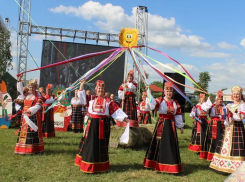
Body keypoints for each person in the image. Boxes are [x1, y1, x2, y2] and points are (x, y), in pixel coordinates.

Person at [74, 80, 129, 173]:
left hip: (103, 126)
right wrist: (82, 86)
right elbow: (82, 98)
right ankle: (88, 165)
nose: (100, 90)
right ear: (96, 90)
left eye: (102, 89)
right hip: (92, 125)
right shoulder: (92, 98)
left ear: (104, 90)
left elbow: (116, 111)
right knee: (91, 144)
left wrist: (124, 118)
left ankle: (100, 166)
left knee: (101, 145)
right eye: (99, 88)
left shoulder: (109, 101)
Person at [144, 82, 184, 174]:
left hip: (171, 125)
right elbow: (152, 104)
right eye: (167, 91)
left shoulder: (175, 103)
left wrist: (180, 126)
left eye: (171, 91)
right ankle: (156, 164)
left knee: (170, 144)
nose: (169, 93)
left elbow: (178, 115)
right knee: (160, 143)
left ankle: (171, 165)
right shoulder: (160, 100)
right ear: (164, 92)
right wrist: (148, 92)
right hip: (162, 124)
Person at [210, 86, 245, 174]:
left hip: (237, 128)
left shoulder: (242, 105)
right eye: (234, 94)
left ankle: (237, 166)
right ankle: (223, 165)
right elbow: (224, 117)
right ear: (232, 95)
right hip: (228, 128)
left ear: (240, 95)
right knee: (225, 145)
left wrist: (231, 115)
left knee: (236, 146)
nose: (236, 95)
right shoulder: (228, 105)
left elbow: (240, 117)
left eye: (238, 94)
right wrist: (226, 116)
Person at [15, 74, 45, 155]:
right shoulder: (26, 94)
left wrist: (29, 111)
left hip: (33, 115)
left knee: (30, 131)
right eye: (30, 87)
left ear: (36, 88)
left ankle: (32, 149)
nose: (31, 89)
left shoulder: (38, 96)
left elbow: (38, 105)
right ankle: (21, 148)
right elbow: (20, 90)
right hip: (25, 116)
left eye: (33, 87)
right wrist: (19, 79)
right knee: (24, 132)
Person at [199, 91, 226, 161]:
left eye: (221, 99)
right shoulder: (211, 106)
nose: (220, 101)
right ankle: (211, 155)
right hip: (213, 124)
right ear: (216, 100)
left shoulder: (224, 107)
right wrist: (208, 101)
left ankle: (219, 154)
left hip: (222, 124)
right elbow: (204, 108)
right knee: (212, 139)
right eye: (218, 99)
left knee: (221, 138)